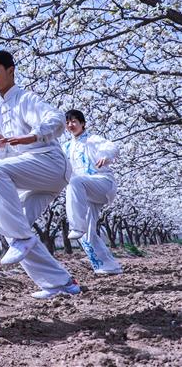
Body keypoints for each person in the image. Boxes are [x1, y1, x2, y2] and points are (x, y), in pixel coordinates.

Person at [0, 51, 79, 299]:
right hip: (36, 175)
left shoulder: (25, 99)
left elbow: (55, 119)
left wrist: (34, 135)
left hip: (50, 164)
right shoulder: (0, 110)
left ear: (10, 71)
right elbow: (2, 155)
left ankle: (21, 238)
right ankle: (61, 283)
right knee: (14, 226)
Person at [63, 109, 122, 275]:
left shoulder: (92, 139)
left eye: (74, 121)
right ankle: (108, 265)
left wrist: (105, 155)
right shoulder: (66, 147)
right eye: (67, 122)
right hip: (84, 191)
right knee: (86, 233)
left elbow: (111, 146)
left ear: (82, 123)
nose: (70, 125)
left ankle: (76, 225)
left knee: (74, 181)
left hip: (102, 183)